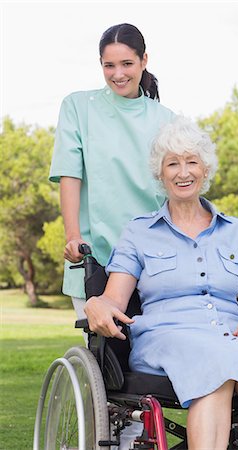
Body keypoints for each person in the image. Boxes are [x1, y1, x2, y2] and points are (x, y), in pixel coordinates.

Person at [84, 116, 238, 450]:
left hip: (231, 339)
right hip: (166, 339)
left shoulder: (236, 232)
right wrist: (96, 304)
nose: (183, 172)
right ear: (161, 173)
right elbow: (114, 300)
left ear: (205, 169)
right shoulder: (139, 232)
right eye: (173, 164)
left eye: (192, 162)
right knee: (234, 363)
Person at [49, 23, 175, 321]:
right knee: (106, 353)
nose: (118, 74)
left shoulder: (165, 119)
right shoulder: (78, 107)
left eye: (127, 64)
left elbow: (176, 189)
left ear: (144, 60)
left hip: (154, 258)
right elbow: (70, 174)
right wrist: (72, 236)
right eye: (109, 65)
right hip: (95, 256)